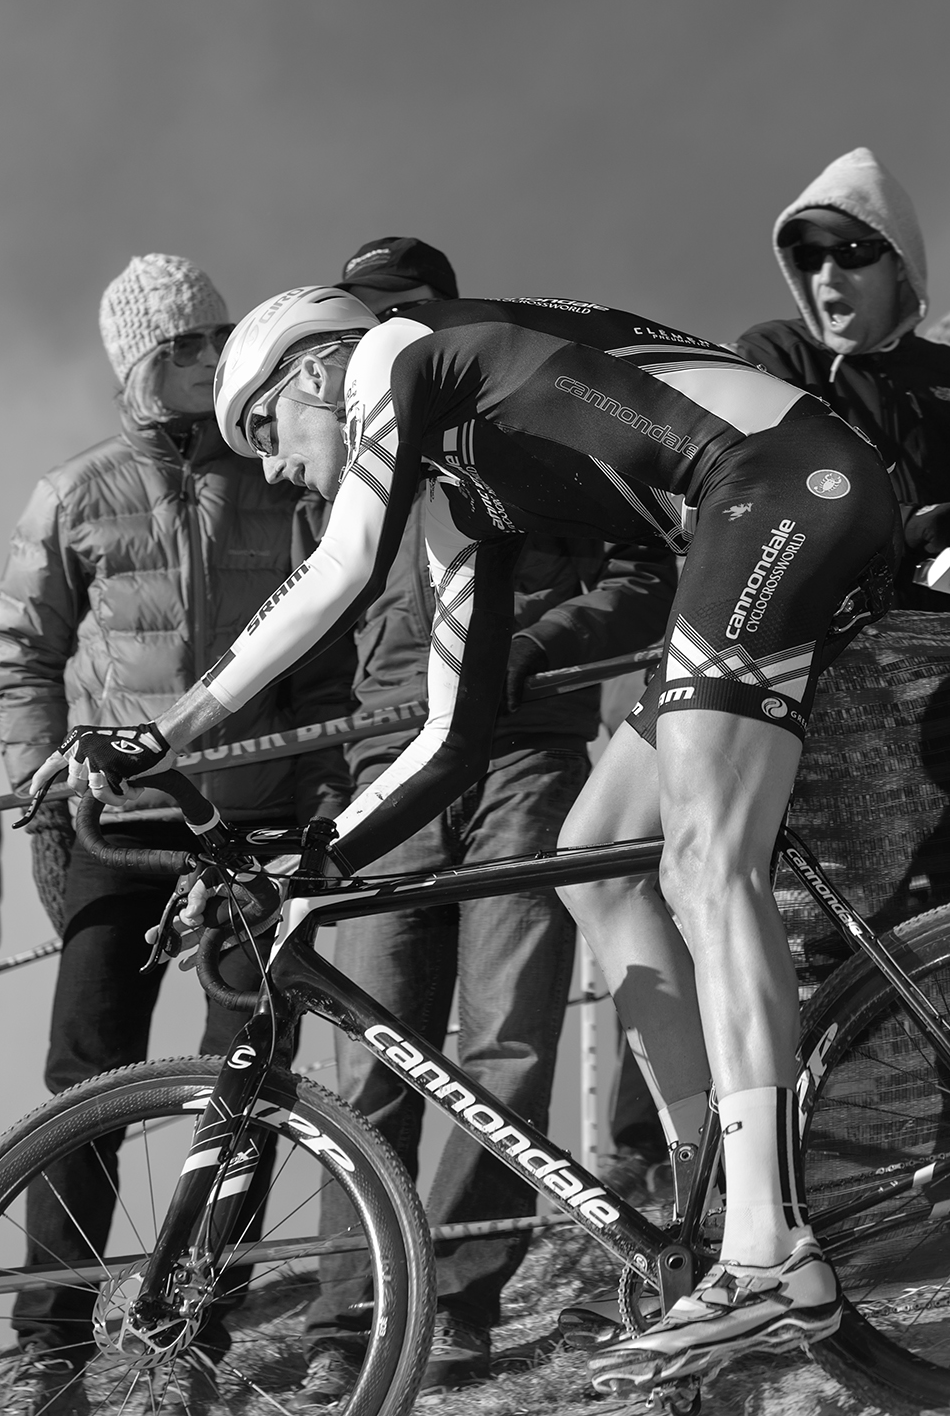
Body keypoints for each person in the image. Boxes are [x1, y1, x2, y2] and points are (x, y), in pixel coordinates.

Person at [25, 287, 899, 1395]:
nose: (273, 470)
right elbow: (450, 737)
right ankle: (718, 1199)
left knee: (698, 861)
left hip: (783, 488)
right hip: (759, 509)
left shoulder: (402, 355)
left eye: (263, 431)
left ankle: (769, 1257)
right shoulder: (463, 492)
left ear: (310, 372)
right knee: (603, 862)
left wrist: (163, 735)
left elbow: (333, 576)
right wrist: (318, 857)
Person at [289, 244, 677, 1403]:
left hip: (527, 758)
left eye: (409, 309)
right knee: (368, 1046)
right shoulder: (340, 474)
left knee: (507, 1037)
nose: (392, 329)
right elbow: (312, 645)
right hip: (386, 770)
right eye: (370, 315)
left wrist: (534, 652)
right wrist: (326, 779)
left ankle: (458, 1301)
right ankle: (347, 1313)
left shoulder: (526, 433)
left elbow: (645, 573)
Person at [0, 254, 354, 1413]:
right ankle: (50, 1345)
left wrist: (321, 782)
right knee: (84, 1072)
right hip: (119, 825)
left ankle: (197, 1323)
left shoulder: (279, 479)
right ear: (151, 363)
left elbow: (326, 647)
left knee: (251, 1072)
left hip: (252, 824)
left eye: (227, 335)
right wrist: (38, 784)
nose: (222, 353)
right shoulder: (72, 493)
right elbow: (20, 649)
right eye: (201, 341)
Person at [736, 147, 950, 615]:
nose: (827, 274)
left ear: (899, 262)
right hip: (822, 662)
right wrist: (907, 525)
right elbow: (768, 496)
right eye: (810, 256)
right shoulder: (775, 354)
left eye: (851, 252)